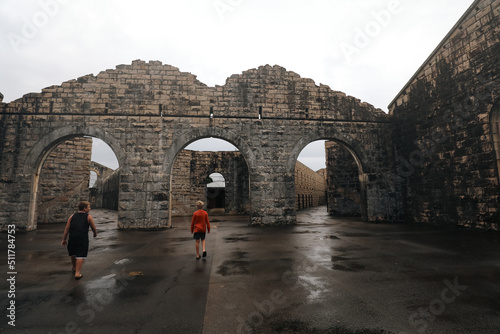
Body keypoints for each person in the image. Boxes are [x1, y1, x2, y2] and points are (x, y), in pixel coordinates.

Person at [61, 201, 97, 280]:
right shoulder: (88, 216)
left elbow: (67, 228)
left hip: (72, 237)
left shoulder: (72, 216)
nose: (90, 208)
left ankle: (74, 268)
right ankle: (77, 273)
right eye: (89, 207)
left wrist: (64, 239)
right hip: (82, 238)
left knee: (73, 253)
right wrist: (95, 233)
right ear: (85, 208)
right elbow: (93, 227)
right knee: (80, 255)